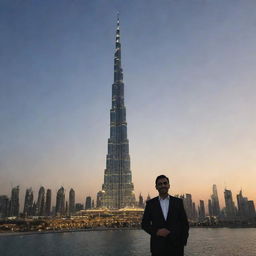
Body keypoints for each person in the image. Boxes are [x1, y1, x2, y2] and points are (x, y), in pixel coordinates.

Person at [141, 175, 189, 256]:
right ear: (156, 187)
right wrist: (157, 232)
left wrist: (183, 242)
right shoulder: (150, 204)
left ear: (168, 185)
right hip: (158, 248)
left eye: (165, 183)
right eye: (160, 184)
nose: (163, 185)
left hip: (177, 247)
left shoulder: (178, 202)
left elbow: (184, 223)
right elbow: (144, 224)